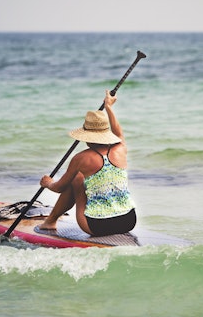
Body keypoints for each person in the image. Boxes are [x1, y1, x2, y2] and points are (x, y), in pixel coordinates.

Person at [38, 90, 136, 236]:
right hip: (128, 221)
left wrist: (48, 183)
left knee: (76, 178)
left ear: (87, 136)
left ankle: (50, 221)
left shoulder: (81, 158)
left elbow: (59, 187)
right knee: (82, 179)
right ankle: (50, 221)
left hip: (97, 226)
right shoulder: (121, 148)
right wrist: (109, 107)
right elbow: (119, 134)